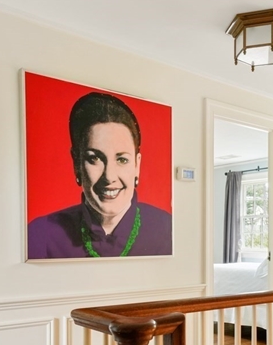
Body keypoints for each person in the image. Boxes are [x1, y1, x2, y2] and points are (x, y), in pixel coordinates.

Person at [27, 92, 172, 259]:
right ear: (77, 163)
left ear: (137, 165)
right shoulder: (41, 234)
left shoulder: (168, 229)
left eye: (122, 159)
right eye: (94, 158)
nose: (109, 176)